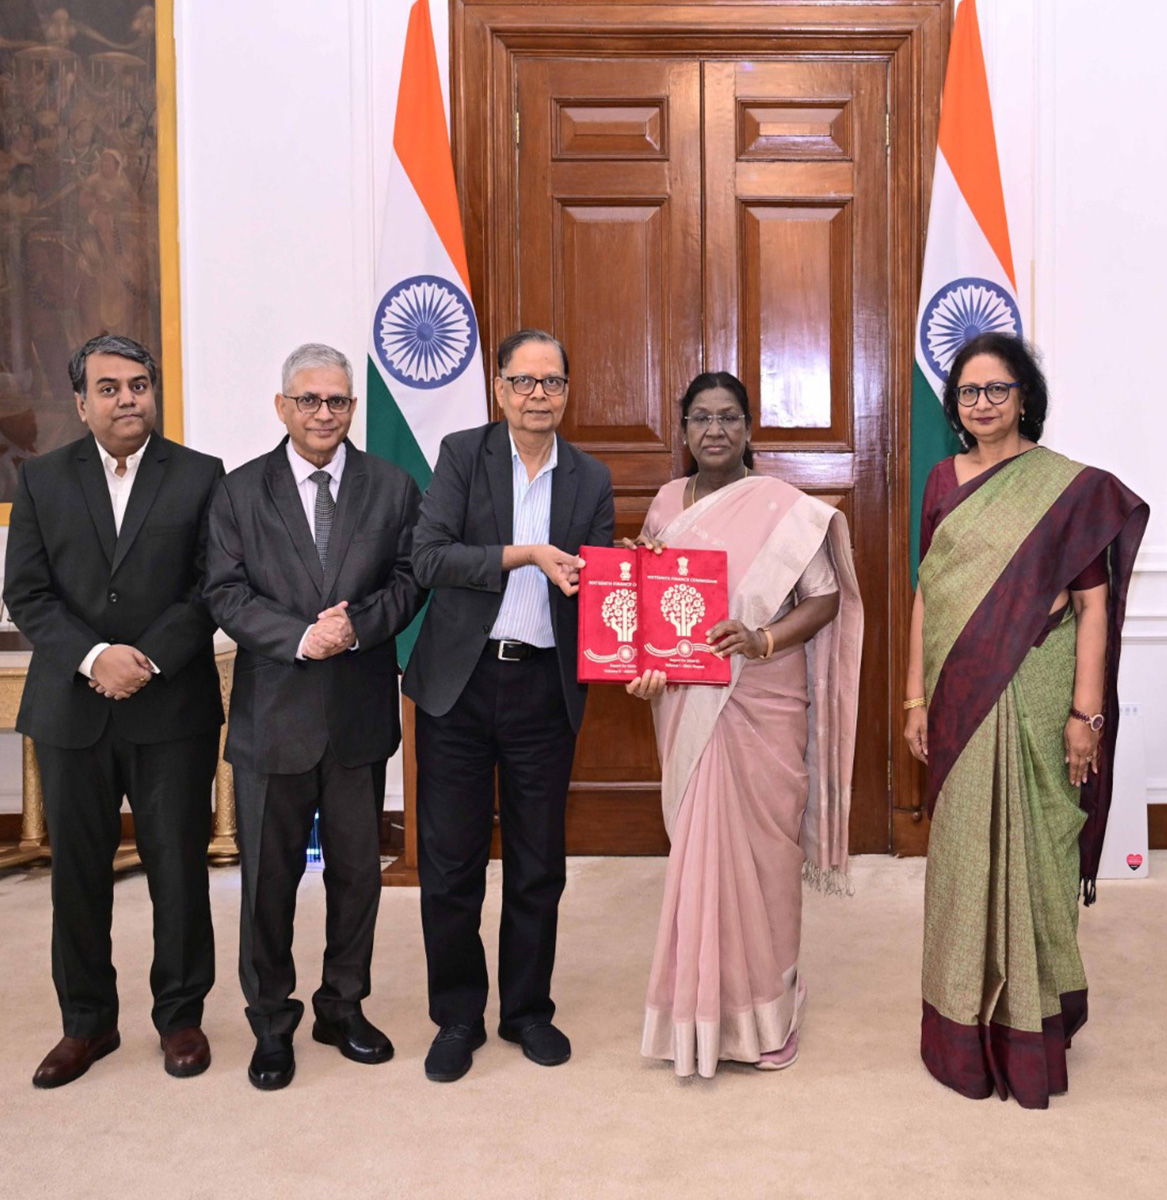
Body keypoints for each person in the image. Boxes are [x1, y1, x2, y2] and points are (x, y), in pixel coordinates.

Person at [905, 332, 1147, 1109]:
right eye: (968, 392)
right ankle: (961, 1026)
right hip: (958, 697)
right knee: (962, 856)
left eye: (997, 389)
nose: (982, 404)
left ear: (1024, 398)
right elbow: (928, 593)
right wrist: (913, 698)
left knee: (1040, 853)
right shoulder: (941, 480)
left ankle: (1030, 1025)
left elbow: (1092, 606)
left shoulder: (1066, 490)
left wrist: (1086, 716)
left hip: (1039, 692)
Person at [624, 372, 862, 1077]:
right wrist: (639, 653)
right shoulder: (667, 502)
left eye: (729, 416)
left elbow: (824, 599)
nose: (715, 430)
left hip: (765, 697)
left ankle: (770, 1008)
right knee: (699, 852)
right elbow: (648, 598)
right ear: (683, 429)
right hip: (687, 699)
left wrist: (761, 639)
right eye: (701, 417)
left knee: (766, 858)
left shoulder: (784, 508)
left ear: (749, 427)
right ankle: (701, 1015)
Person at [4, 334, 224, 1088]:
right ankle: (87, 1023)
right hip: (73, 709)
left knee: (179, 870)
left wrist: (147, 658)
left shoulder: (200, 475)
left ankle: (181, 1016)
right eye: (109, 387)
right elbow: (26, 592)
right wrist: (96, 656)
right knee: (77, 876)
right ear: (80, 402)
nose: (127, 398)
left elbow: (211, 587)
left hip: (172, 709)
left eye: (138, 384)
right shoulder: (42, 480)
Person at [204, 343, 424, 1090]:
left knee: (357, 876)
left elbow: (410, 580)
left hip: (358, 715)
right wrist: (303, 637)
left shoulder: (392, 487)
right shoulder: (239, 491)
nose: (324, 413)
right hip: (274, 717)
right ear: (283, 407)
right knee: (267, 884)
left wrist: (357, 628)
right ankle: (272, 1022)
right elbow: (224, 592)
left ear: (352, 408)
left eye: (337, 401)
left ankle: (342, 1006)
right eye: (309, 400)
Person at [403, 328, 614, 1083]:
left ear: (567, 392)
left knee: (537, 864)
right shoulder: (464, 455)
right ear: (499, 388)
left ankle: (526, 1010)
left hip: (542, 690)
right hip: (459, 688)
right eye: (523, 381)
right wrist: (522, 555)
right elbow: (428, 557)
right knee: (451, 864)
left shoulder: (590, 478)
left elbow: (600, 588)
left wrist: (632, 594)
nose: (537, 396)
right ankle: (457, 1016)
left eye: (551, 382)